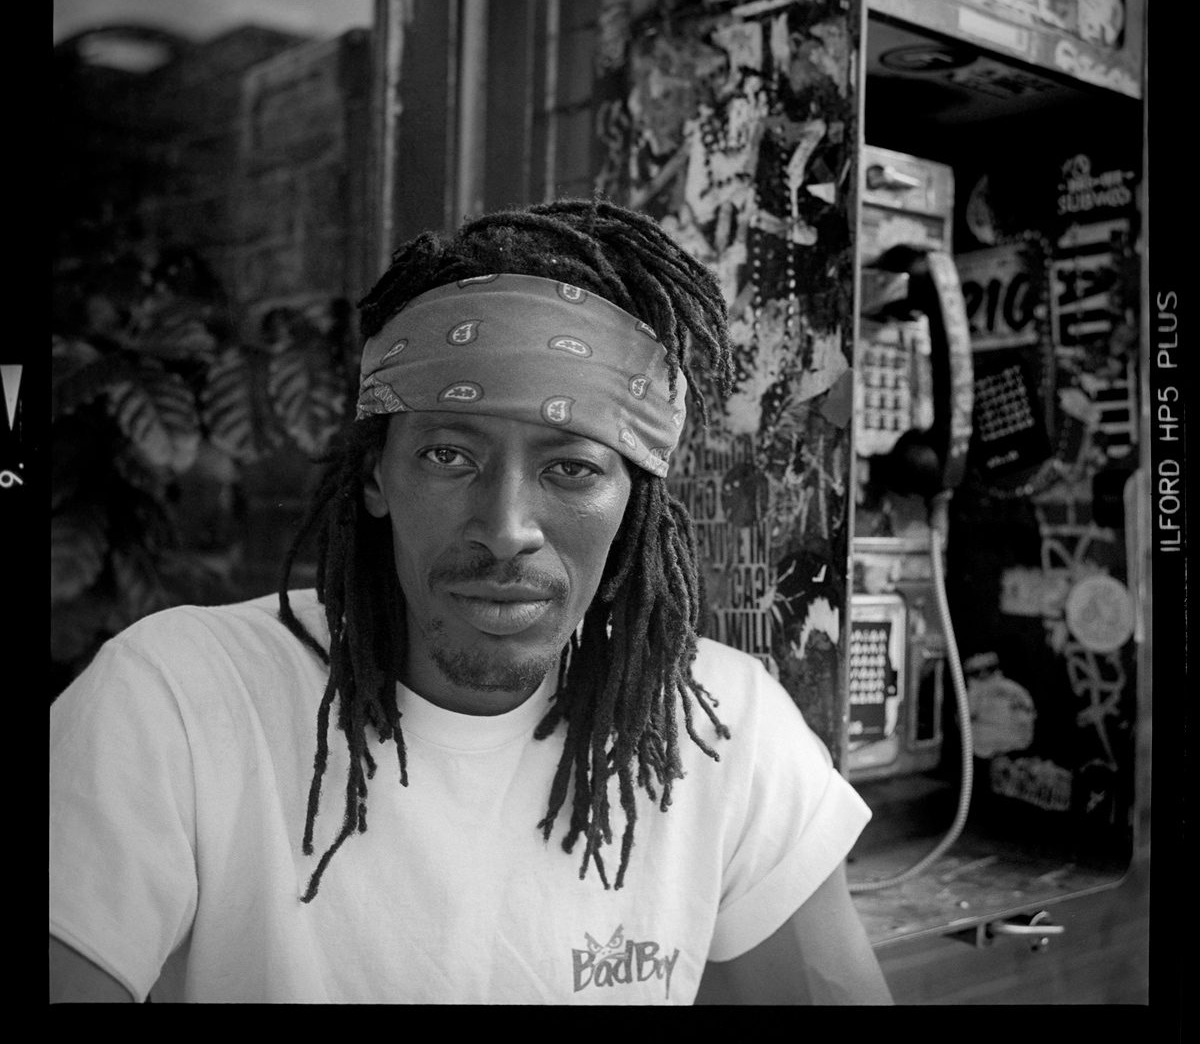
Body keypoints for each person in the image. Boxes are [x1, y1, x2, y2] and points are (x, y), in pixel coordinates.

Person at [50, 199, 891, 1005]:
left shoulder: (722, 727)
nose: (507, 528)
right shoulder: (174, 702)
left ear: (634, 501)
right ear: (377, 474)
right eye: (451, 455)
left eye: (572, 467)